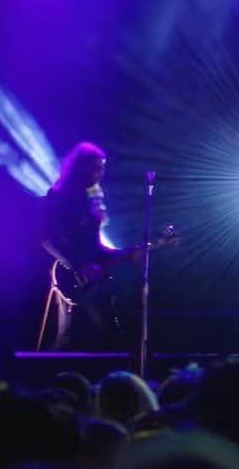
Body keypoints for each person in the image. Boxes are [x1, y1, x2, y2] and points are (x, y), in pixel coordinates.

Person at [38, 143, 159, 351]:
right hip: (71, 275)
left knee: (102, 334)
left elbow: (96, 248)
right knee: (72, 336)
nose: (100, 173)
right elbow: (47, 239)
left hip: (90, 278)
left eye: (102, 167)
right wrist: (77, 266)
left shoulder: (89, 201)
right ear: (80, 167)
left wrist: (125, 253)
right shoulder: (59, 197)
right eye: (96, 167)